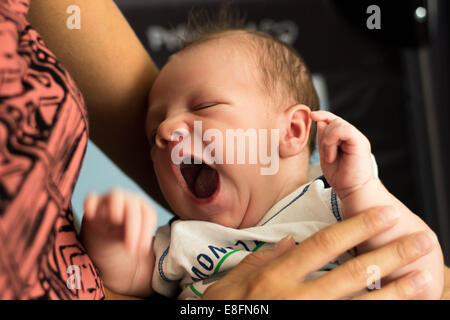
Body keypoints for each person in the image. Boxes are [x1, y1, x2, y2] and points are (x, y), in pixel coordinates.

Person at [0, 0, 448, 300]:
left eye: (205, 107)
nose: (165, 132)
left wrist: (363, 186)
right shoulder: (180, 240)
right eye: (155, 125)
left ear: (292, 132)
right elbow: (136, 280)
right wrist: (113, 247)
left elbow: (424, 269)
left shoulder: (333, 201)